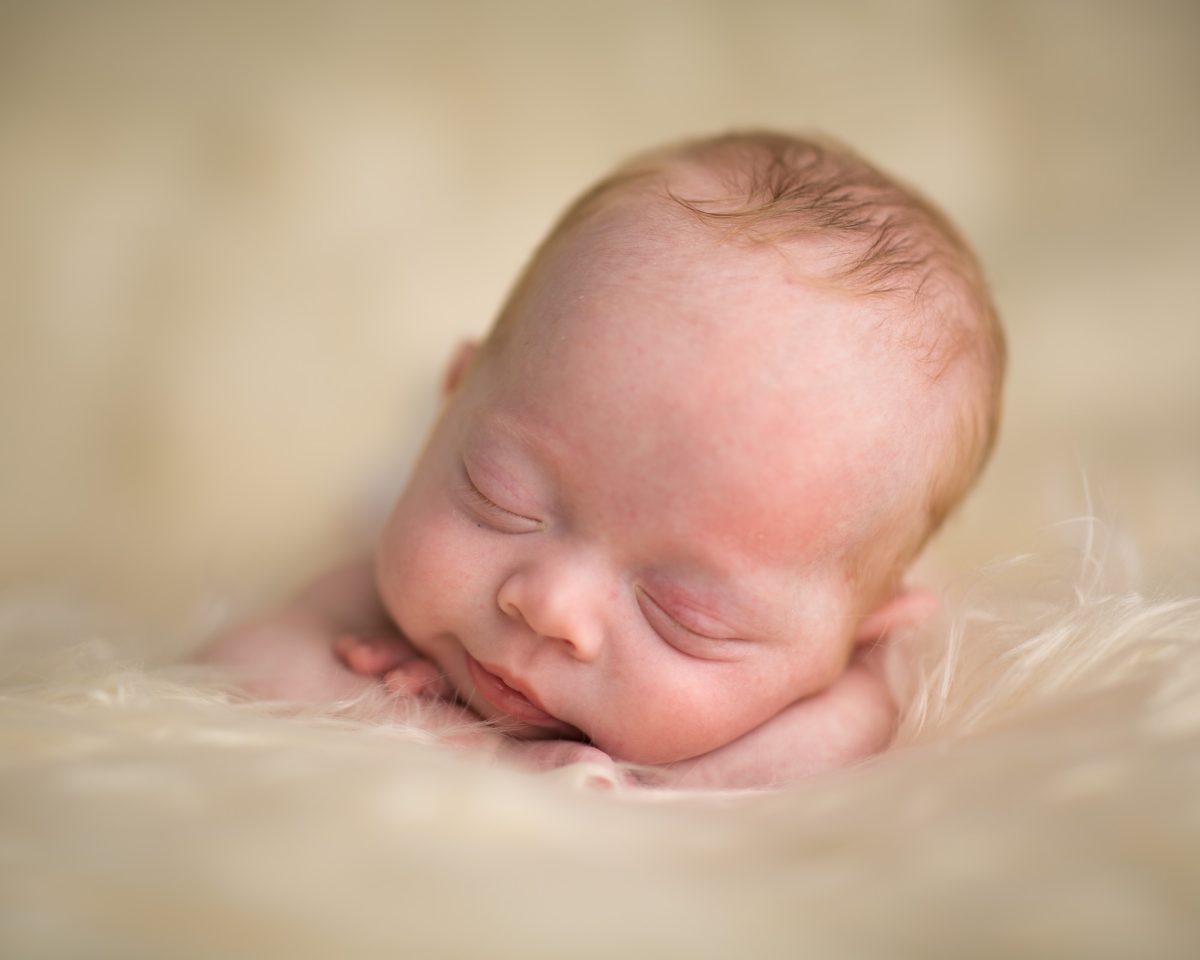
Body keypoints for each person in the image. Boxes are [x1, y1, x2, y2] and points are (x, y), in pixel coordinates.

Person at [200, 131, 1005, 788]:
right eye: (500, 498)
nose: (550, 607)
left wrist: (657, 788)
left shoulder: (861, 671)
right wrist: (459, 748)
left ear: (858, 636)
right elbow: (237, 664)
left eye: (683, 614)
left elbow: (846, 739)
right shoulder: (385, 587)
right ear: (452, 406)